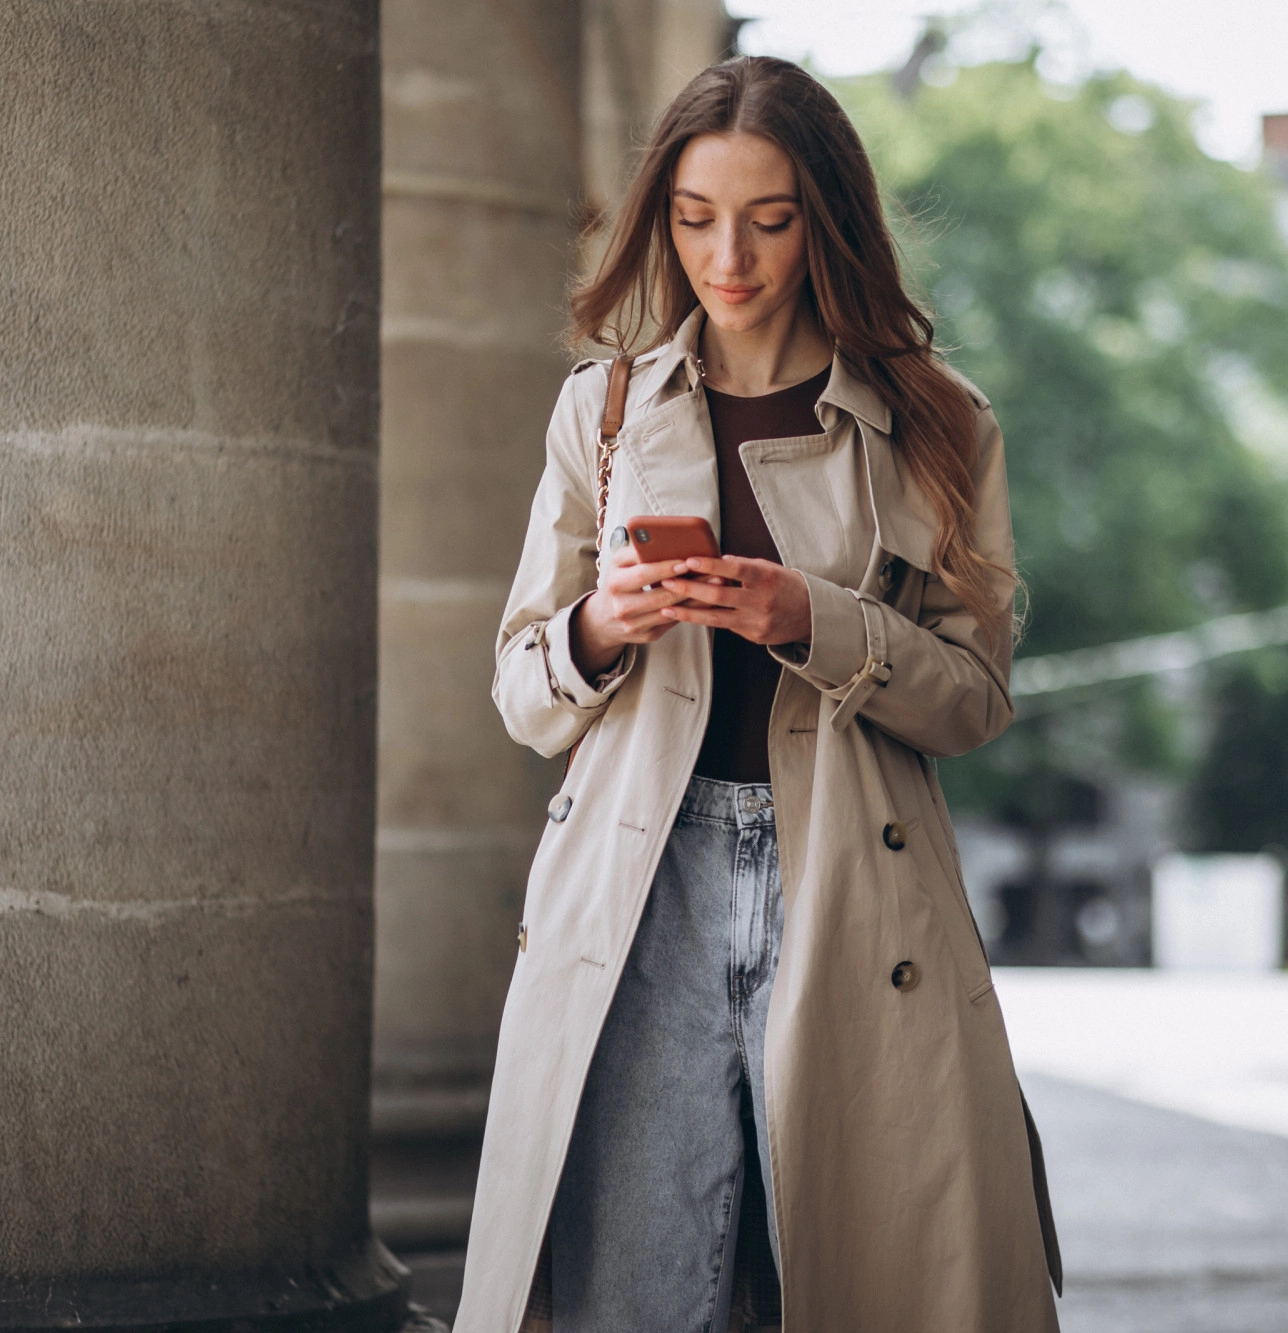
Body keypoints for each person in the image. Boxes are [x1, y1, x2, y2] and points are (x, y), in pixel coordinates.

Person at [454, 55, 1061, 1333]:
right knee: (636, 1290)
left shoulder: (936, 421)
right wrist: (600, 626)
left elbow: (974, 697)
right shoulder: (603, 411)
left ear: (824, 219)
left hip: (849, 886)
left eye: (768, 220)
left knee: (859, 1277)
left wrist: (816, 620)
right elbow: (522, 686)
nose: (726, 256)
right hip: (638, 893)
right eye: (693, 217)